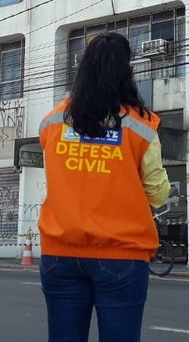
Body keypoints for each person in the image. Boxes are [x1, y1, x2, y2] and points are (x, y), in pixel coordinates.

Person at [37, 33, 171, 342]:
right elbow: (158, 192)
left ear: (83, 68)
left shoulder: (52, 121)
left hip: (59, 252)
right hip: (121, 254)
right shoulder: (142, 124)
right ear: (127, 70)